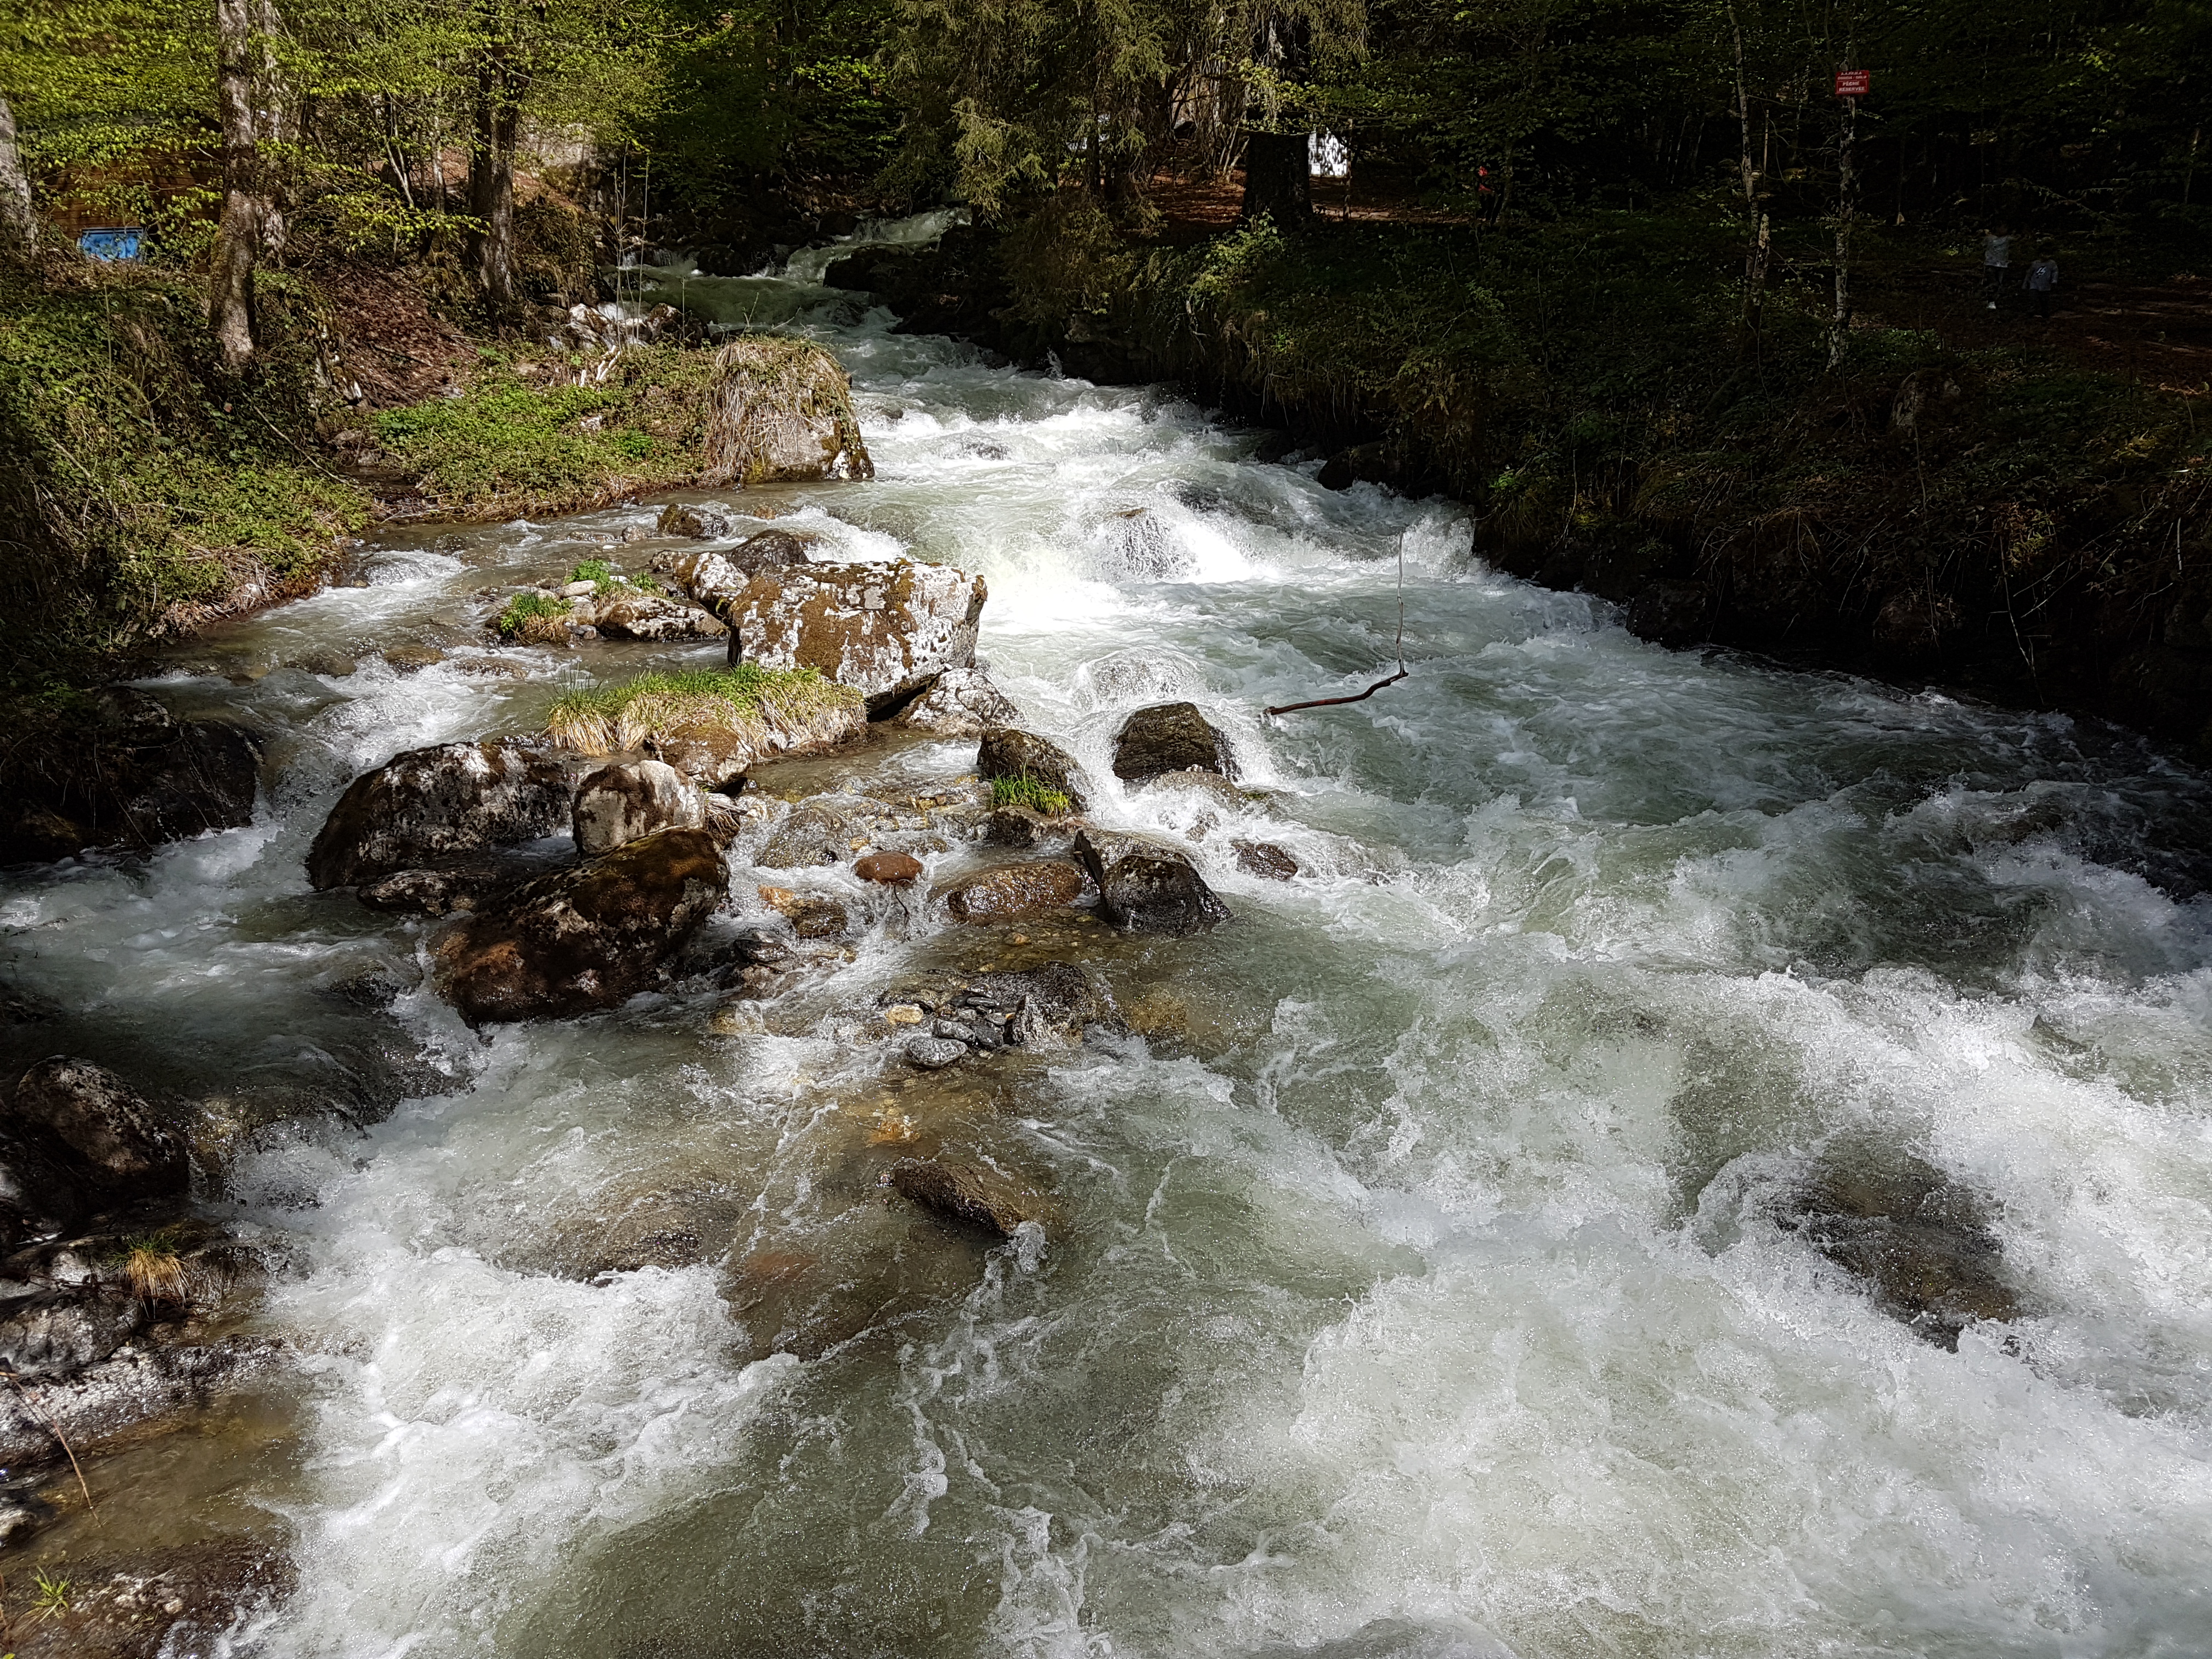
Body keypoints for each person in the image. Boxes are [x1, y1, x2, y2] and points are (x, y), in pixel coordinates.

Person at [1982, 227, 2013, 309]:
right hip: (1990, 264)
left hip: (2002, 265)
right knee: (1993, 283)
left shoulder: (2007, 239)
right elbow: (1983, 245)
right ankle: (1990, 301)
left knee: (1999, 283)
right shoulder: (1989, 238)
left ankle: (1995, 301)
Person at [2025, 252, 2059, 320]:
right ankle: (2032, 313)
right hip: (2034, 284)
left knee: (2045, 301)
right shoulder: (2035, 264)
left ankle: (2045, 314)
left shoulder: (2052, 264)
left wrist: (2054, 281)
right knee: (2034, 299)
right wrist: (2026, 284)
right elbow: (2029, 273)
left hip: (2046, 285)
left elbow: (2055, 272)